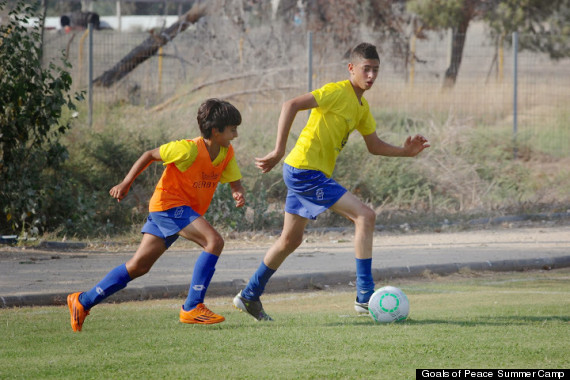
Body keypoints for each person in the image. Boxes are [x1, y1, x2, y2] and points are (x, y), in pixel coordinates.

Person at [233, 43, 430, 321]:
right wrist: (278, 150)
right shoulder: (336, 91)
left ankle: (249, 295)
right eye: (366, 69)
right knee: (365, 215)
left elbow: (373, 145)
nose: (371, 75)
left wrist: (405, 152)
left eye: (376, 70)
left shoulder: (361, 106)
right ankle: (365, 297)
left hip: (308, 172)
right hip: (304, 170)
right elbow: (291, 104)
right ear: (351, 68)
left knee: (290, 240)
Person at [67, 98, 245, 332]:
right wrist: (126, 182)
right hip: (169, 206)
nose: (235, 135)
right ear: (215, 130)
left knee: (139, 266)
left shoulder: (226, 151)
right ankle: (192, 306)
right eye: (232, 130)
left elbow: (233, 179)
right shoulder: (188, 148)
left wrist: (237, 191)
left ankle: (82, 301)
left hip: (174, 211)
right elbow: (149, 155)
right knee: (214, 241)